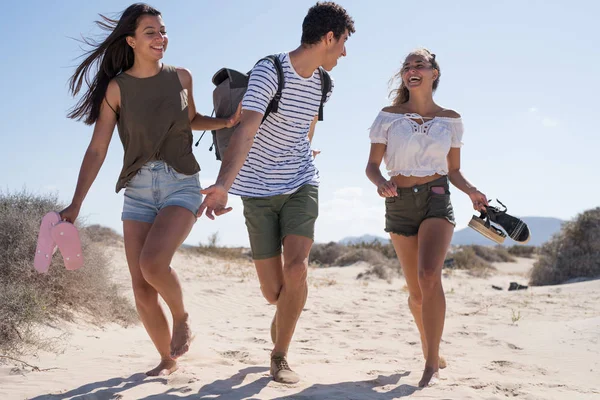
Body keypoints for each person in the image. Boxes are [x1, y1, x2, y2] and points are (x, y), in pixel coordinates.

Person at [59, 3, 240, 376]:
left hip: (181, 183)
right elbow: (97, 149)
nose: (161, 38)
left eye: (162, 31)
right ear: (131, 40)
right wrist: (76, 203)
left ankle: (182, 315)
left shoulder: (182, 78)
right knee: (141, 288)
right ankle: (166, 360)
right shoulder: (117, 89)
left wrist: (225, 122)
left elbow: (190, 121)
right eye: (151, 32)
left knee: (153, 263)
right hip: (138, 190)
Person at [197, 1, 355, 384]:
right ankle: (286, 312)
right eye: (344, 42)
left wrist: (303, 149)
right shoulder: (271, 71)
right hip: (257, 191)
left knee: (297, 268)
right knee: (274, 292)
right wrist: (223, 186)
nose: (345, 52)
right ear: (329, 37)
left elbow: (308, 125)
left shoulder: (322, 82)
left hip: (301, 182)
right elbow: (245, 132)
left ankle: (279, 355)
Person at [365, 48, 488, 387]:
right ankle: (428, 341)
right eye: (407, 66)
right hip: (399, 202)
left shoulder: (450, 119)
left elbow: (455, 171)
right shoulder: (388, 116)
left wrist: (472, 191)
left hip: (436, 198)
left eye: (419, 64)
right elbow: (372, 166)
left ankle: (431, 364)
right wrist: (380, 183)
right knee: (417, 293)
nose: (412, 69)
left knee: (429, 274)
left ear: (434, 73)